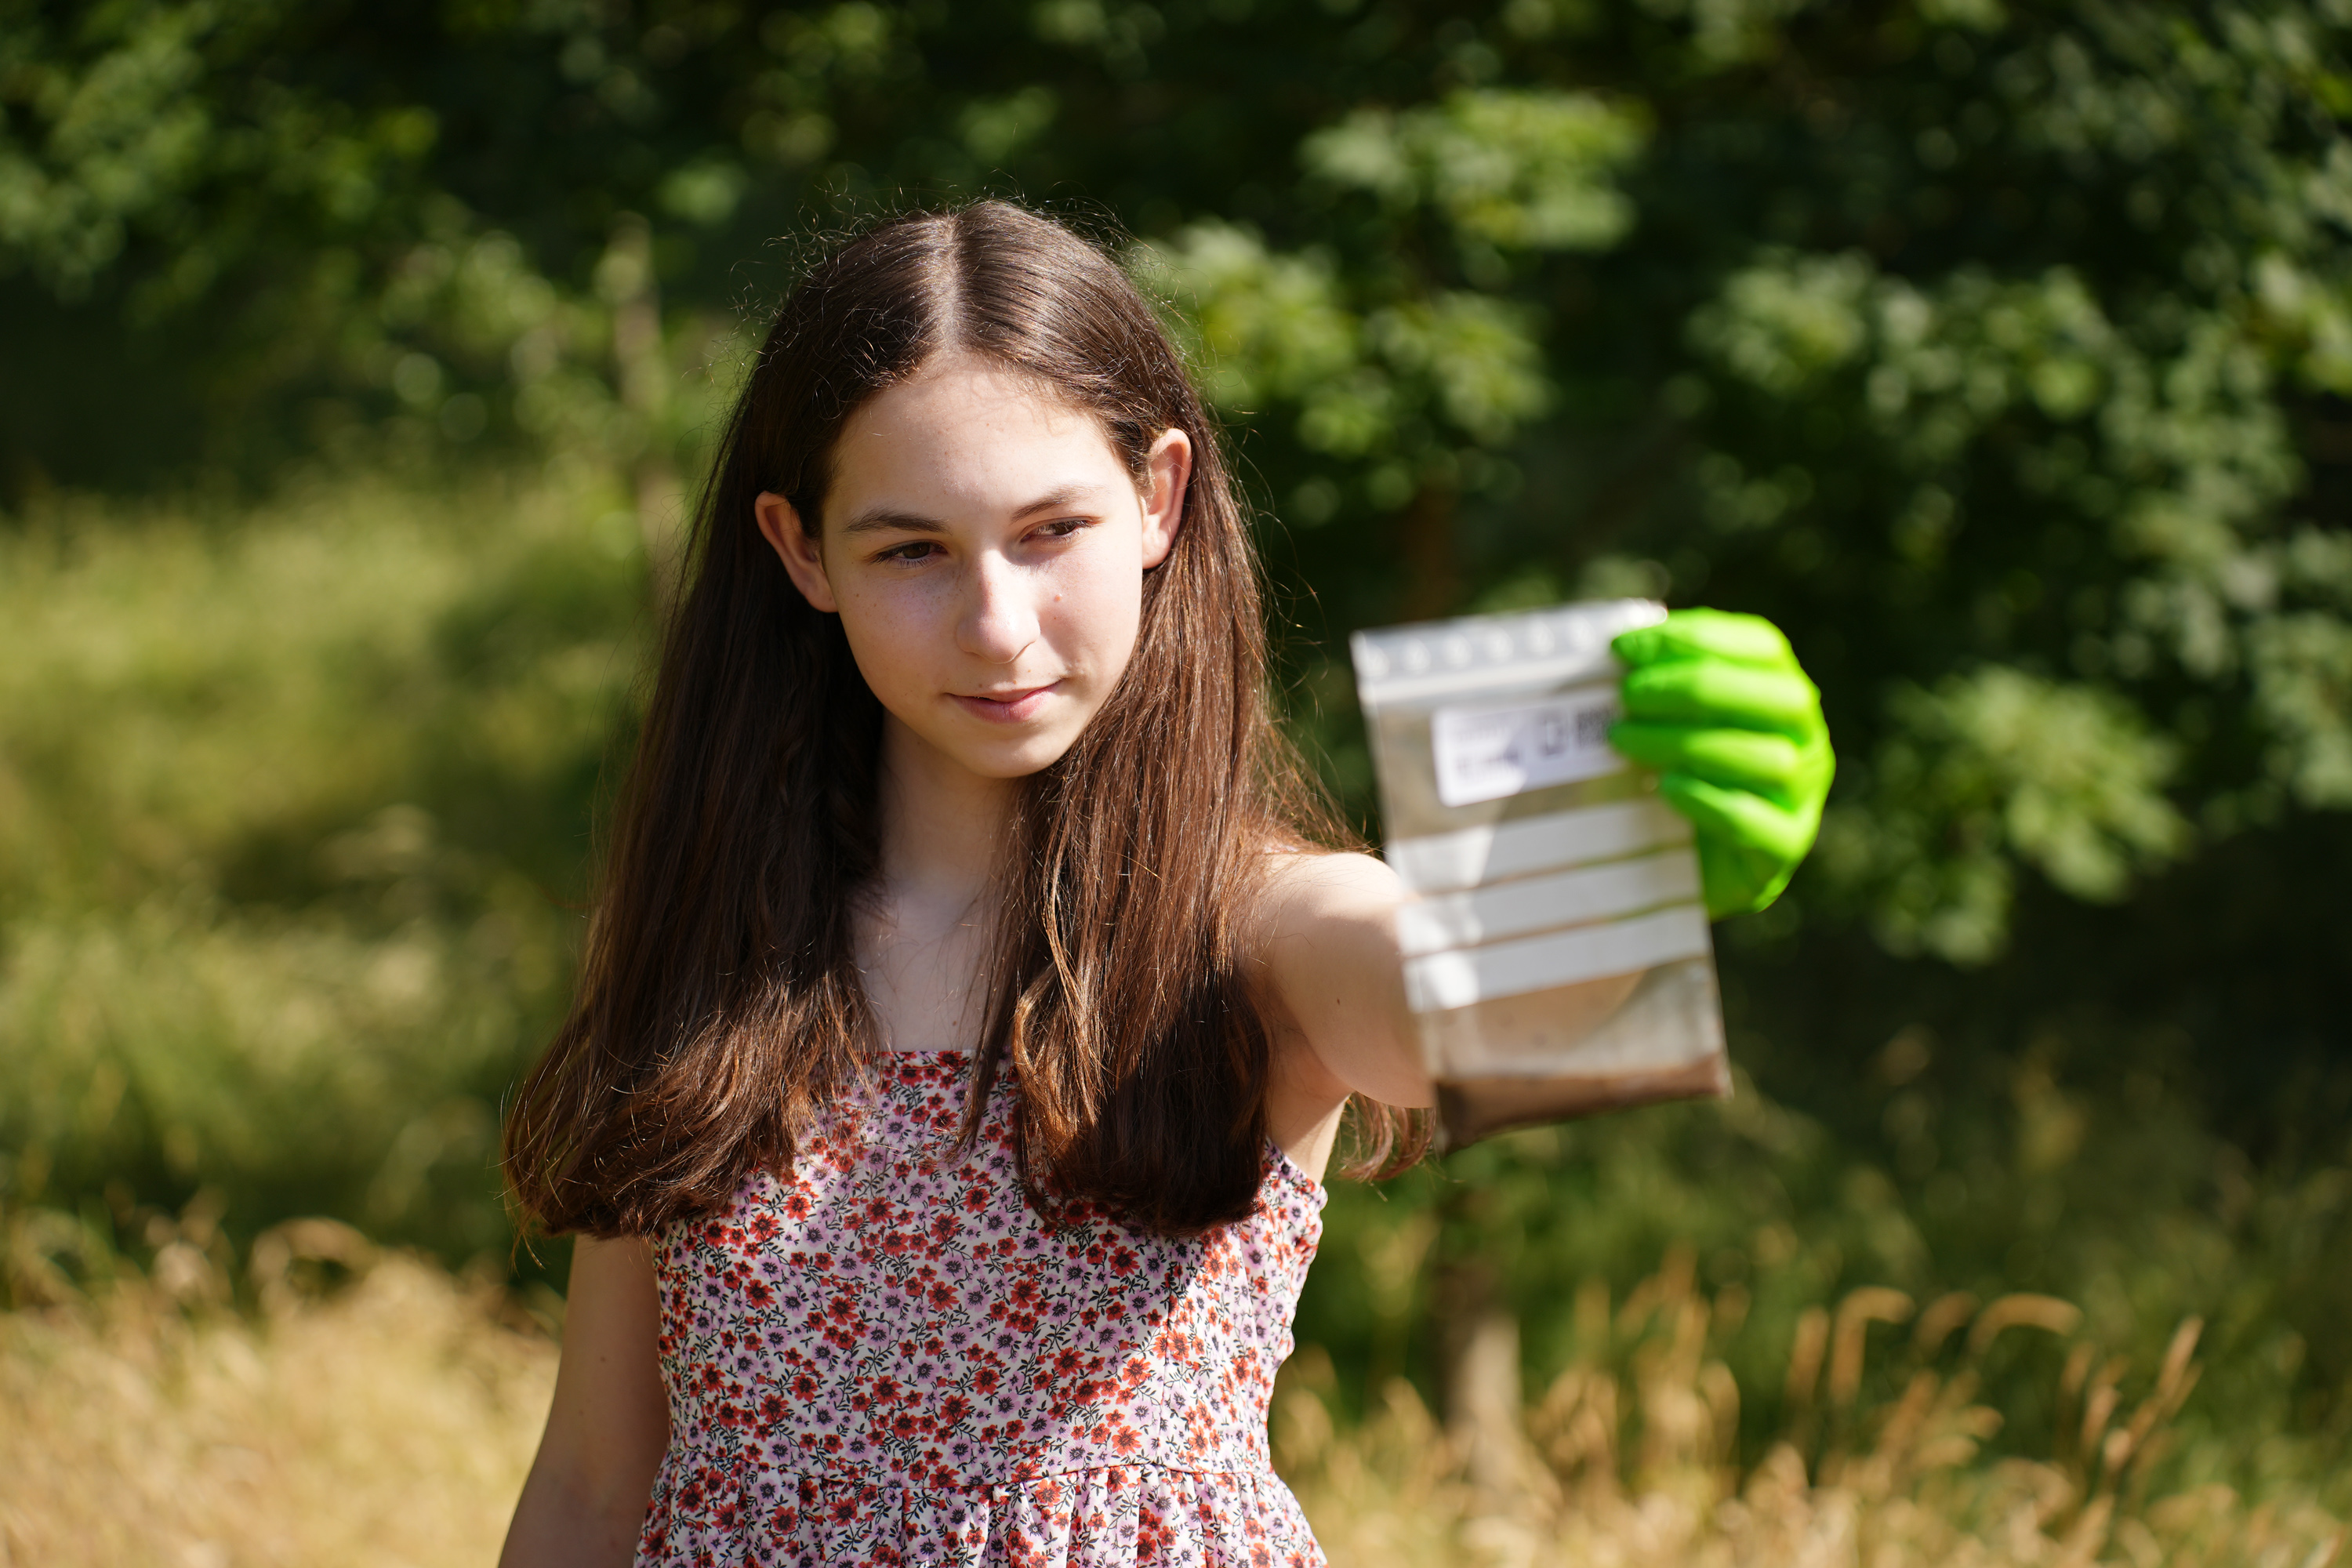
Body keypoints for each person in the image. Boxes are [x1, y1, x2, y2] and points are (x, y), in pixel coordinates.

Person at [496, 201, 1832, 1568]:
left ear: (1158, 497)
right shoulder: (712, 939)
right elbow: (597, 1485)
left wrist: (1638, 879)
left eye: (1049, 531)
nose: (997, 625)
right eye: (913, 550)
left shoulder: (1253, 923)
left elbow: (1468, 1009)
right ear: (800, 552)